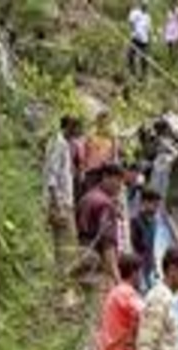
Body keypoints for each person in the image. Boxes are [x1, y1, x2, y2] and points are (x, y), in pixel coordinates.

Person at [77, 163, 125, 286]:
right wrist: (117, 280)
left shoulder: (87, 197)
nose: (120, 186)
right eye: (118, 181)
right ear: (106, 177)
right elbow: (107, 246)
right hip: (96, 267)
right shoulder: (105, 205)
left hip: (80, 259)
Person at [43, 115, 81, 270]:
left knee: (62, 242)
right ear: (69, 127)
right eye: (76, 128)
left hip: (63, 201)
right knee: (65, 242)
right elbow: (52, 177)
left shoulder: (63, 144)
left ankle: (61, 276)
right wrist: (57, 206)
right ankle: (63, 278)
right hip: (60, 202)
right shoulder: (59, 144)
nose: (78, 132)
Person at [81, 111, 120, 194]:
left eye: (106, 121)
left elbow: (115, 157)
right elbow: (84, 154)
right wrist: (83, 170)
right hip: (91, 172)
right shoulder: (90, 136)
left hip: (105, 172)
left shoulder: (113, 139)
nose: (103, 123)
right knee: (90, 194)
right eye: (101, 120)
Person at [131, 188, 160, 291]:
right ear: (144, 202)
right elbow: (133, 247)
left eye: (158, 206)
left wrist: (155, 266)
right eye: (154, 205)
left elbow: (151, 246)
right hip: (137, 268)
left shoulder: (154, 222)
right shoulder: (135, 222)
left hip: (147, 266)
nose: (156, 209)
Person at [127, 0, 152, 80]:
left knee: (144, 58)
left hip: (144, 40)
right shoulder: (135, 13)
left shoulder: (148, 17)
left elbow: (149, 29)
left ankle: (143, 75)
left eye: (146, 5)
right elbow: (131, 23)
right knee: (130, 55)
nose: (145, 6)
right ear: (140, 4)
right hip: (135, 38)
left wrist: (150, 39)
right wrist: (134, 31)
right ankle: (132, 73)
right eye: (143, 4)